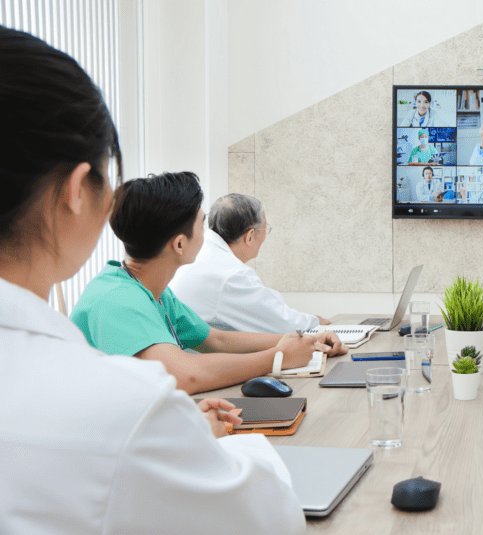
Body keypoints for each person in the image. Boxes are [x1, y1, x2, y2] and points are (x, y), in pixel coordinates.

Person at [0, 26, 305, 533]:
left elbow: (213, 339)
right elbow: (269, 517)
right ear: (76, 191)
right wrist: (186, 432)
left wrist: (290, 345)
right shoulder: (124, 397)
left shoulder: (149, 299)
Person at [71, 171, 347, 395]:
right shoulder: (116, 301)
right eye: (202, 224)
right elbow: (185, 375)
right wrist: (279, 357)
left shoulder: (153, 292)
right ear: (180, 244)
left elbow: (217, 339)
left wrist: (304, 341)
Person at [169, 193, 330, 333]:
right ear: (250, 236)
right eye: (265, 230)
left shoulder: (202, 253)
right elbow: (283, 325)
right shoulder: (231, 274)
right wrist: (316, 322)